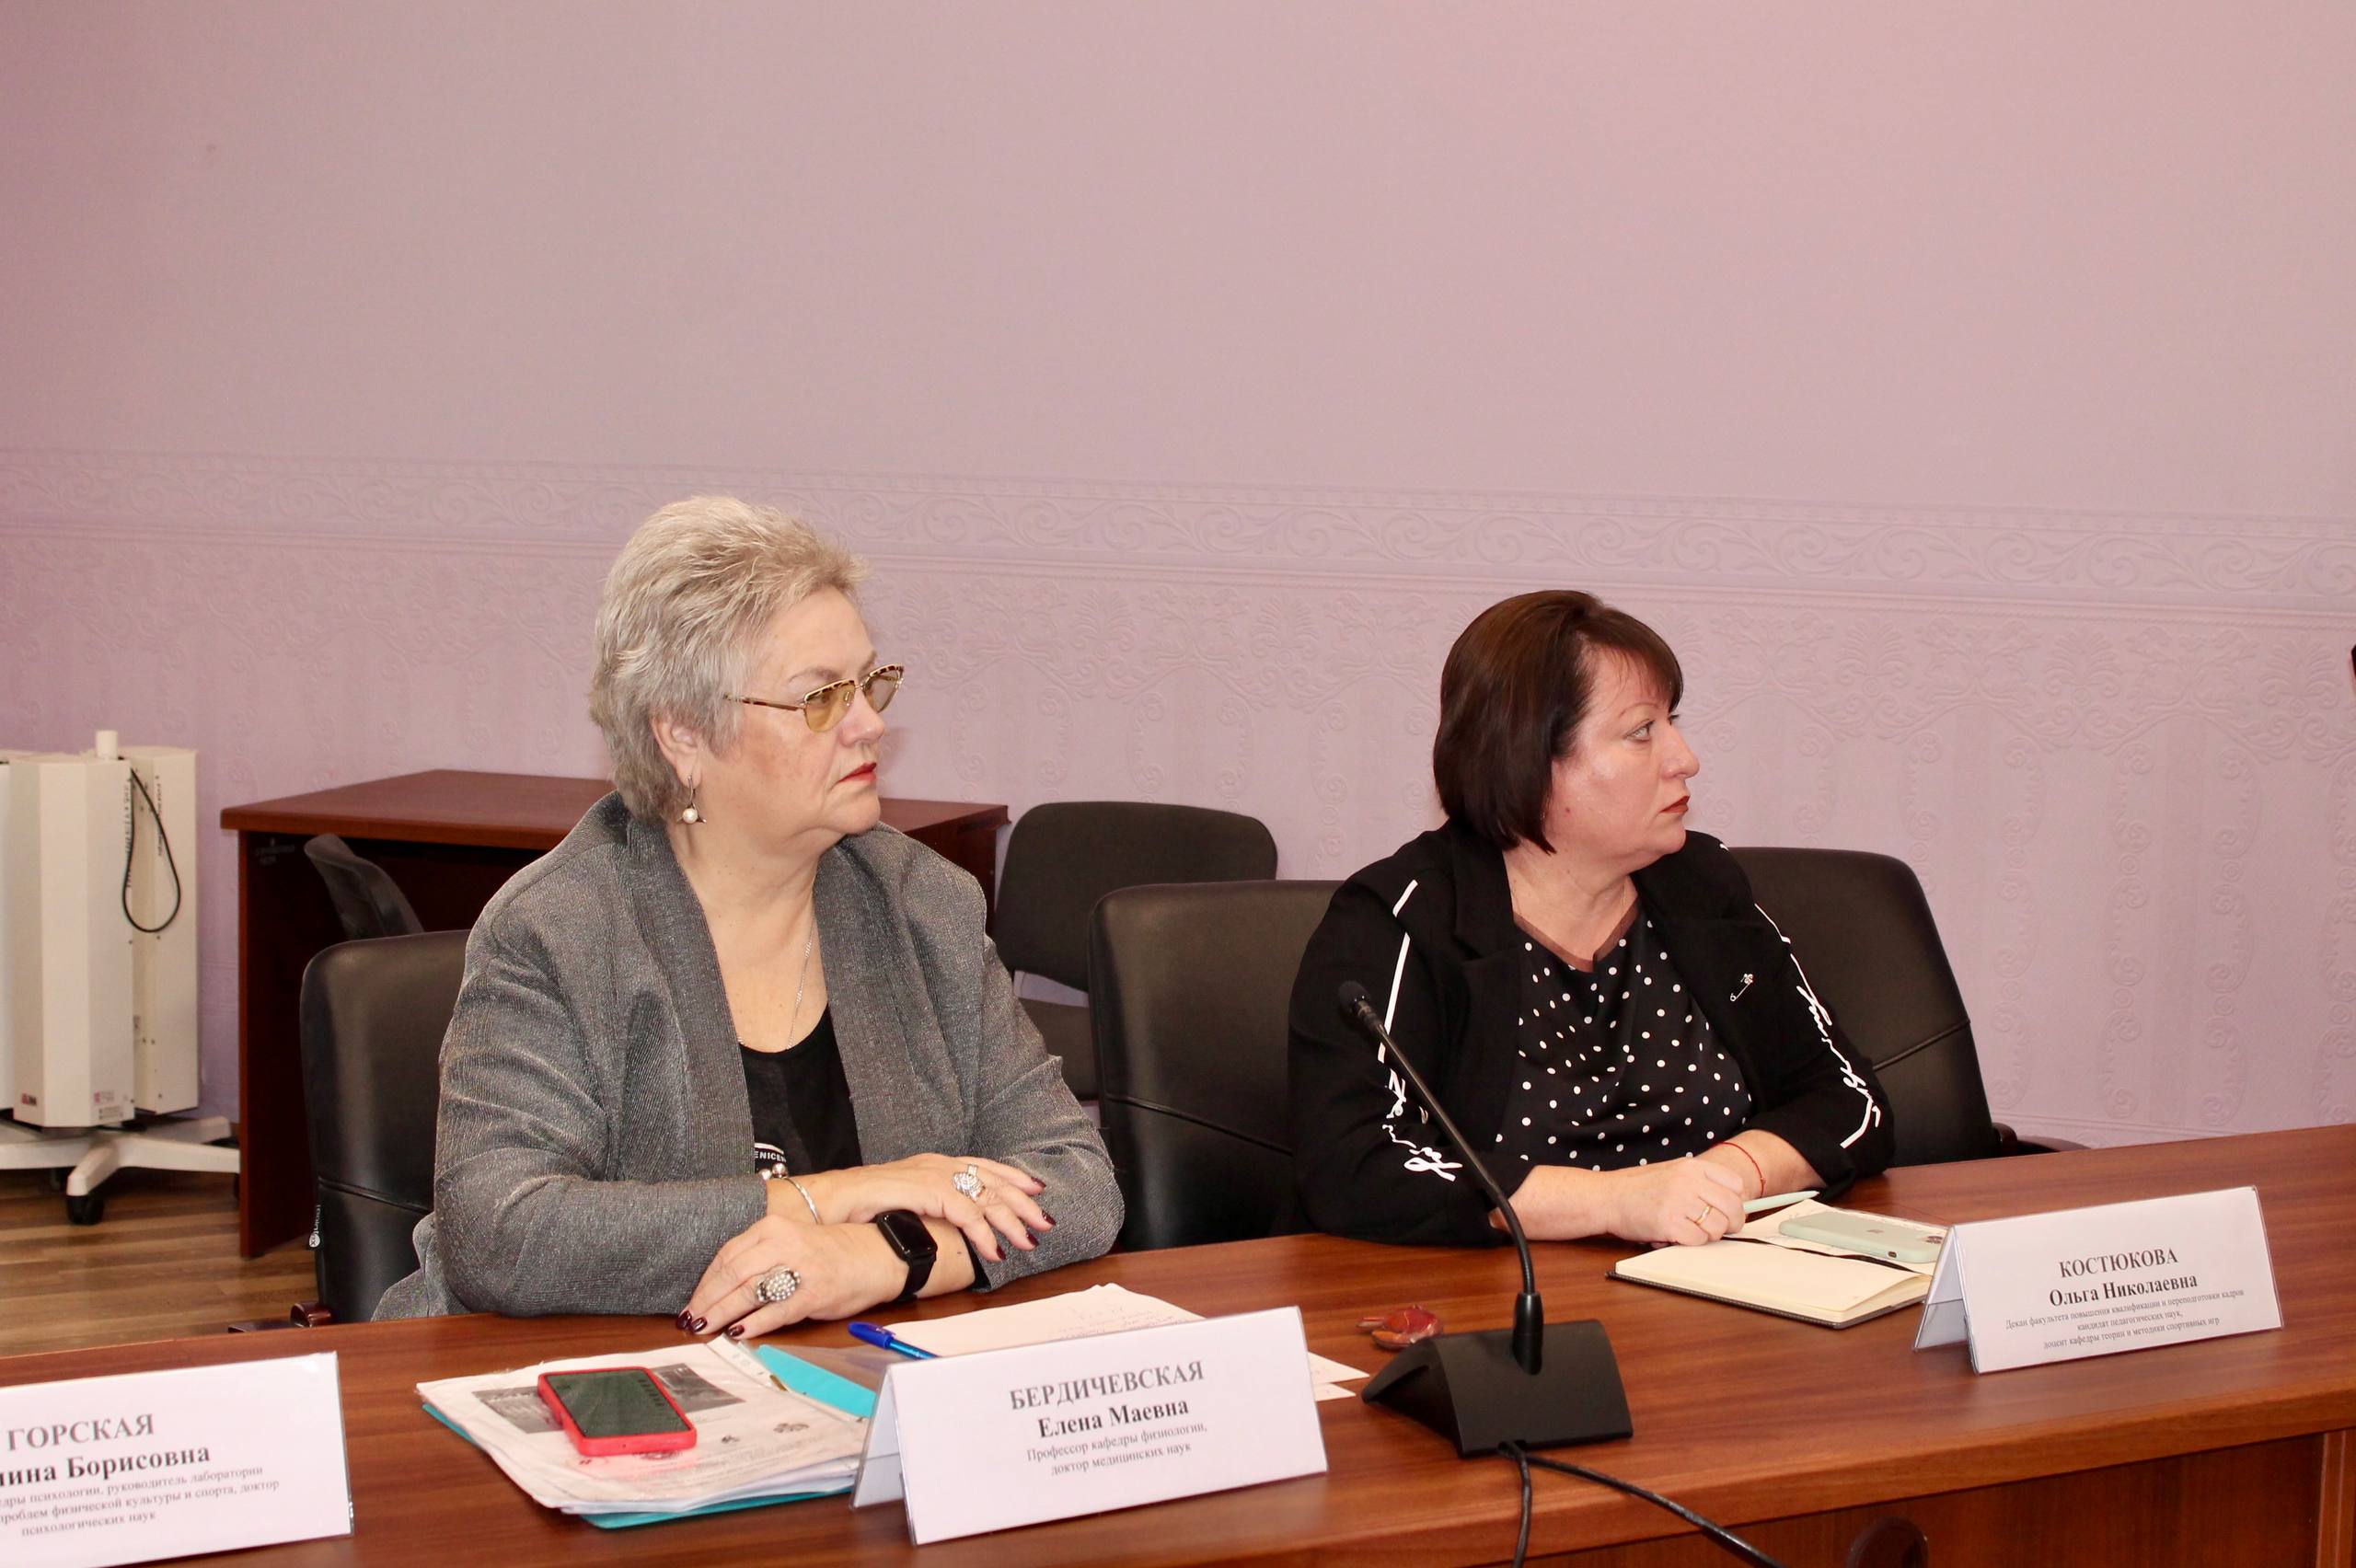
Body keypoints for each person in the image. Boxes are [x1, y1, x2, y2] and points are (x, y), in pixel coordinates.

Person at [376, 497, 1121, 1333]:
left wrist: (886, 1257)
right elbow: (500, 1233)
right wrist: (835, 1198)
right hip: (593, 1378)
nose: (870, 724)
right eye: (821, 697)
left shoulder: (921, 904)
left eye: (869, 683)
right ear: (684, 735)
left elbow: (1079, 1180)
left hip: (844, 1375)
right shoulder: (559, 930)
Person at [1288, 591, 1893, 1250]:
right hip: (1490, 1296)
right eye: (1642, 732)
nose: (1684, 758)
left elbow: (1850, 1100)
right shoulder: (1400, 919)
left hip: (1703, 1281)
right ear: (1528, 757)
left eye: (1671, 722)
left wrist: (1721, 1179)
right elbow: (1356, 1165)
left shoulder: (1700, 885)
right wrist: (1615, 1201)